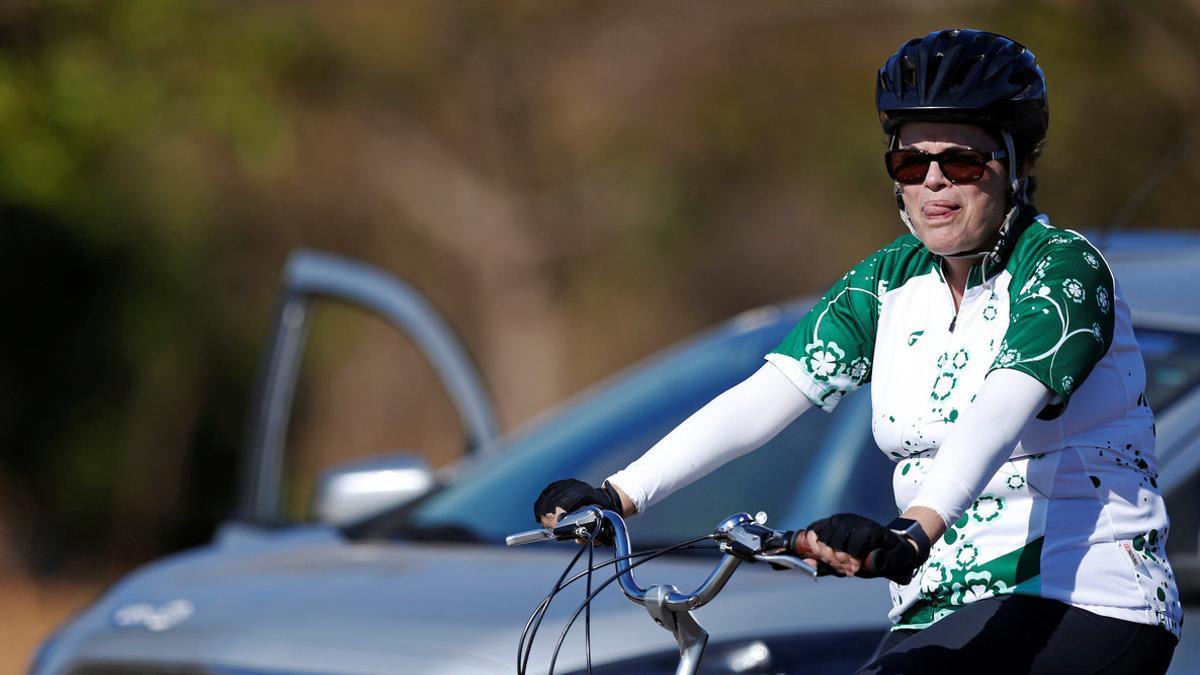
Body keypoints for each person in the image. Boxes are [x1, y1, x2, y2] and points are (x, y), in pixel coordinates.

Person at [533, 28, 1180, 673]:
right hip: (935, 606)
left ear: (1018, 165)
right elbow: (764, 399)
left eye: (962, 161)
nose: (934, 183)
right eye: (909, 162)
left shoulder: (1065, 270)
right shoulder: (887, 281)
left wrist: (913, 528)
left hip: (1084, 597)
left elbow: (1000, 407)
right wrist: (619, 494)